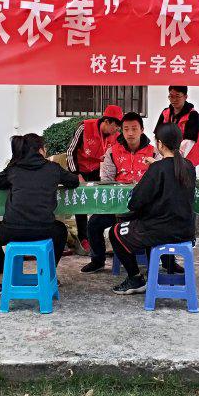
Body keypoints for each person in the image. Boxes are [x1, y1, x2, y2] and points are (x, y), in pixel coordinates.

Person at [0, 133, 79, 294]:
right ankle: (49, 275)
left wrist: (14, 163)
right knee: (61, 230)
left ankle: (3, 280)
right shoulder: (53, 168)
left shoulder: (14, 169)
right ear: (41, 150)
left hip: (12, 229)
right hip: (44, 229)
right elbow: (74, 181)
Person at [108, 123, 196, 295]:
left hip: (161, 230)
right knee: (144, 225)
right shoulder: (189, 167)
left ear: (160, 144)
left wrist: (153, 169)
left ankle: (135, 278)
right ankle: (152, 273)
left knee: (115, 232)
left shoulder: (157, 168)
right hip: (186, 230)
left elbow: (135, 202)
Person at [80, 111, 159, 274]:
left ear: (142, 130)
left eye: (134, 129)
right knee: (93, 223)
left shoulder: (153, 153)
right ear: (121, 130)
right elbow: (106, 181)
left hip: (145, 210)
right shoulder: (112, 152)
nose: (130, 133)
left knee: (159, 225)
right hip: (118, 210)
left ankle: (163, 263)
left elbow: (160, 181)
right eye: (126, 129)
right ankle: (97, 260)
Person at [66, 104, 123, 253]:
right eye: (115, 126)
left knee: (100, 199)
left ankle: (97, 235)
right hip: (80, 168)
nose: (117, 130)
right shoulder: (84, 127)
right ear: (107, 121)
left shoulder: (116, 136)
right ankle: (83, 237)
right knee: (81, 202)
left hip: (98, 169)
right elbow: (70, 151)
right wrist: (75, 174)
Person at [155, 86, 199, 167]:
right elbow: (157, 136)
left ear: (185, 97)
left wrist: (174, 159)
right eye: (171, 96)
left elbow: (189, 142)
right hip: (166, 158)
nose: (174, 100)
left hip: (187, 161)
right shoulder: (165, 112)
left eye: (177, 96)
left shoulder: (193, 115)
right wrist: (159, 157)